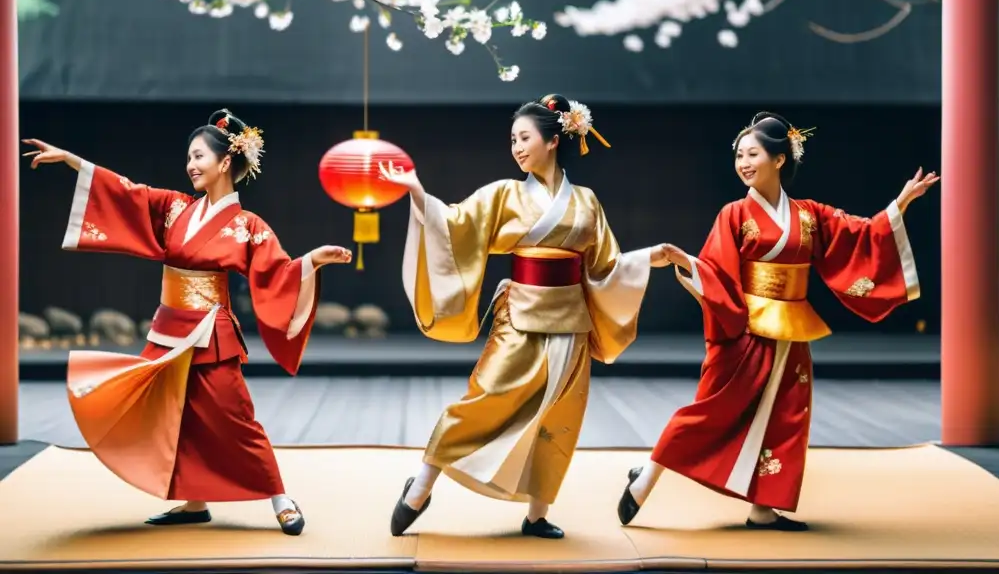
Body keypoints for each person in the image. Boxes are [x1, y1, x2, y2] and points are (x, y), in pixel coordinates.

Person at [23, 109, 353, 536]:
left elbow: (278, 272)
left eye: (198, 156)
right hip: (168, 328)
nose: (190, 165)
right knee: (170, 414)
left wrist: (313, 260)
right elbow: (127, 193)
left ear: (225, 163)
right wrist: (72, 161)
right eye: (188, 158)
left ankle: (279, 497)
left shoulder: (247, 225)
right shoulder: (176, 208)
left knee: (235, 417)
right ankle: (195, 501)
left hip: (210, 333)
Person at [378, 93, 685, 540]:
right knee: (483, 401)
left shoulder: (586, 200)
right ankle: (420, 489)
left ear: (552, 141)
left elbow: (605, 266)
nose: (517, 147)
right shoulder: (504, 194)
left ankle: (537, 513)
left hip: (572, 323)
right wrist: (416, 190)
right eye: (512, 140)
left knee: (557, 420)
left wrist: (646, 258)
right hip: (519, 317)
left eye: (524, 138)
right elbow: (453, 225)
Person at [616, 111, 938, 532]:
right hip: (746, 327)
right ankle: (647, 478)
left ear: (779, 159)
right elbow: (716, 268)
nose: (744, 163)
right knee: (713, 409)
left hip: (793, 325)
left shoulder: (808, 214)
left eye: (753, 154)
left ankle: (763, 507)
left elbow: (857, 234)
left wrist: (900, 204)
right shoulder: (733, 214)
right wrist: (688, 263)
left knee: (788, 414)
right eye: (739, 156)